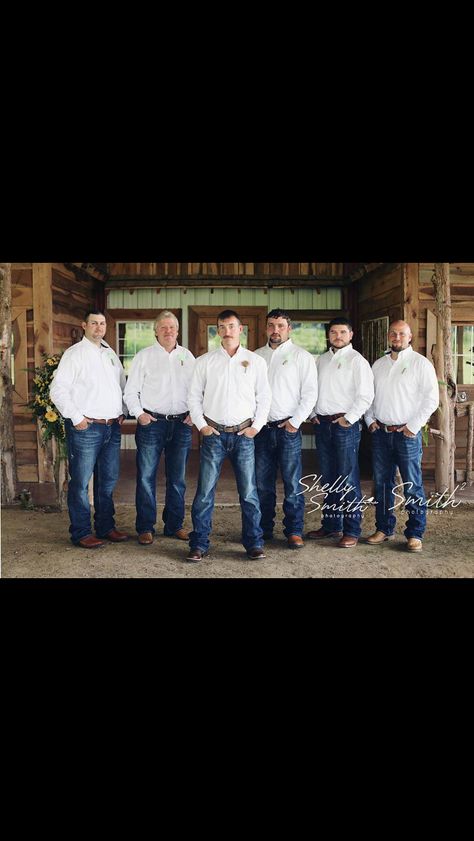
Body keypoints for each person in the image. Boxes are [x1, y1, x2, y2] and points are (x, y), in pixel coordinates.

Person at [186, 310, 272, 562]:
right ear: (217, 330)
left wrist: (256, 427)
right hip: (213, 434)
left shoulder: (255, 361)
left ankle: (254, 543)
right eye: (222, 327)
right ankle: (199, 543)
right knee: (204, 492)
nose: (227, 331)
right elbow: (193, 396)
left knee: (248, 493)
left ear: (241, 329)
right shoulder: (205, 361)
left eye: (231, 326)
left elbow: (264, 397)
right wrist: (201, 426)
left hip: (244, 435)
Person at [49, 310, 128, 549]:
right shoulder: (75, 354)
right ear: (84, 325)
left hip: (111, 428)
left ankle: (105, 527)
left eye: (102, 323)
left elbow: (121, 383)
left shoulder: (110, 353)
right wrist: (76, 418)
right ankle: (81, 532)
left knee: (107, 481)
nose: (99, 327)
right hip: (87, 427)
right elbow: (58, 390)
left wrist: (123, 409)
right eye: (94, 323)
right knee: (81, 482)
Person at [364, 320, 439, 552]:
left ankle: (415, 533)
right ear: (389, 337)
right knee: (383, 484)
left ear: (410, 337)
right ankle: (384, 528)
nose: (397, 337)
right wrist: (370, 420)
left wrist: (413, 426)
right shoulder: (378, 365)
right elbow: (368, 396)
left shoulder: (421, 364)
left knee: (412, 485)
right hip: (381, 434)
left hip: (407, 434)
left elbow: (431, 399)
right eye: (393, 334)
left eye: (402, 334)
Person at [124, 311, 195, 545]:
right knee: (146, 477)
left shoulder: (187, 356)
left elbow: (197, 390)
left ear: (177, 330)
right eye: (163, 327)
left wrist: (194, 414)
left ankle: (174, 525)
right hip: (151, 424)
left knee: (177, 478)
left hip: (182, 424)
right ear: (155, 331)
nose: (168, 331)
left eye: (172, 327)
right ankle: (145, 526)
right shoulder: (144, 357)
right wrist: (139, 415)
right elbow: (130, 391)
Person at [307, 317, 374, 548]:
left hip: (345, 426)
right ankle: (331, 525)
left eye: (342, 332)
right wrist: (313, 413)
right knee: (329, 478)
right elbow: (312, 390)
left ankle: (352, 529)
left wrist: (349, 419)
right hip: (323, 425)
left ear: (351, 335)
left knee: (347, 479)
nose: (338, 336)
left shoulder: (357, 361)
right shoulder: (322, 360)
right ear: (329, 335)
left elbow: (365, 395)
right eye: (334, 332)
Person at [254, 309, 318, 548]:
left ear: (289, 329)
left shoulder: (302, 357)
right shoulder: (256, 356)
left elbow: (310, 393)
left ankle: (293, 531)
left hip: (288, 428)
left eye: (280, 325)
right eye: (271, 325)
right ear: (266, 327)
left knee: (292, 483)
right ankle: (263, 528)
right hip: (261, 429)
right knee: (262, 483)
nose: (275, 330)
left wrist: (295, 422)